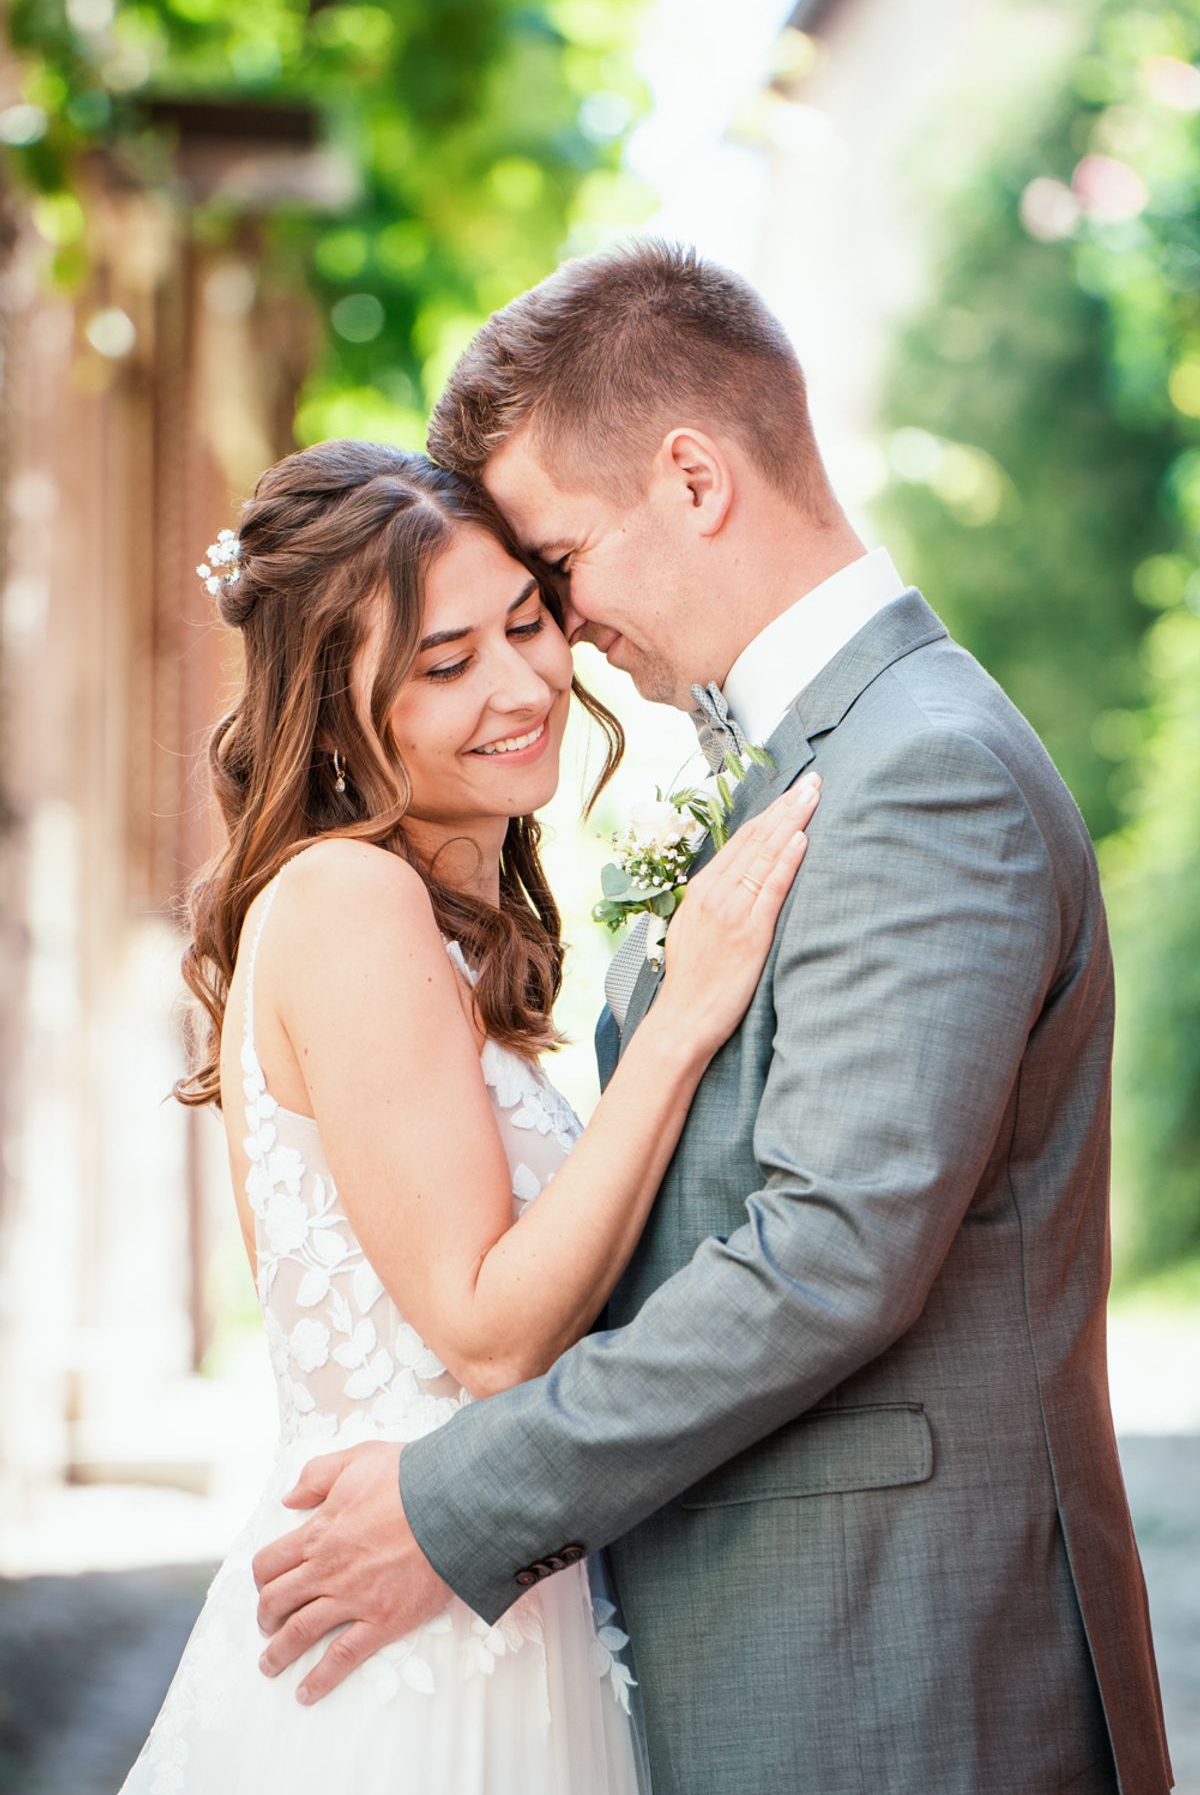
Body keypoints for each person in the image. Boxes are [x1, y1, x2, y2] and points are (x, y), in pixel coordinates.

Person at [252, 243, 1173, 1795]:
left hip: (900, 1671)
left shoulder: (921, 771)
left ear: (691, 478)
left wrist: (453, 1501)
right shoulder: (817, 764)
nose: (560, 632)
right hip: (789, 1664)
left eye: (556, 566)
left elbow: (828, 1254)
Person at [118, 439, 820, 1794]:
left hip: (495, 1602)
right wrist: (685, 1018)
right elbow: (490, 1333)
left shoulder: (440, 928)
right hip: (405, 1651)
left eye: (527, 621)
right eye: (446, 664)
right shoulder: (350, 900)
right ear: (334, 717)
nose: (521, 684)